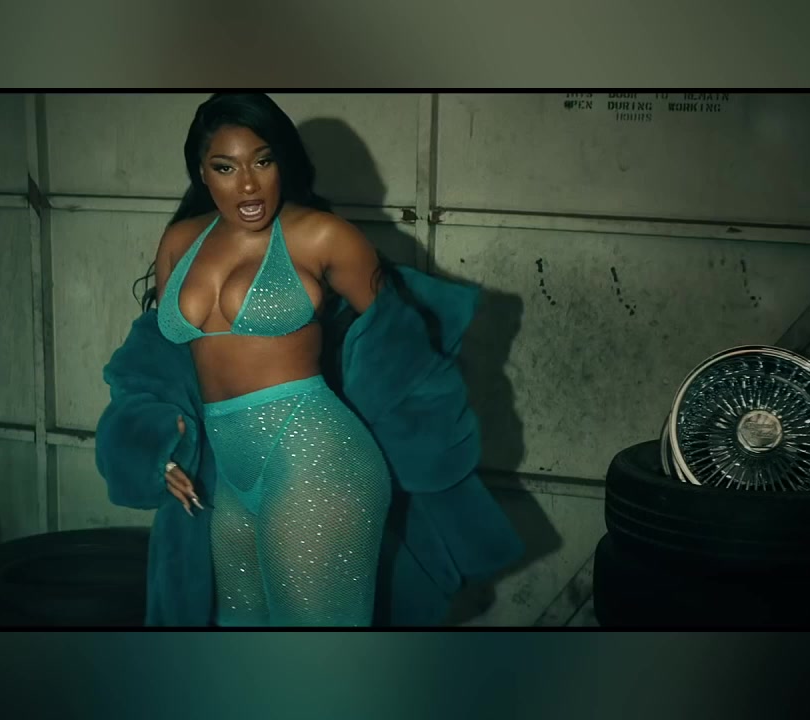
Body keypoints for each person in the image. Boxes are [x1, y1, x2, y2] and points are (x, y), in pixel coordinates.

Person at [96, 93, 523, 627]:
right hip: (229, 476)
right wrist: (154, 442)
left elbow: (400, 344)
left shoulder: (322, 235)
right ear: (202, 173)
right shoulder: (180, 241)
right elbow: (159, 362)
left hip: (315, 460)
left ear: (283, 162)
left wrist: (428, 446)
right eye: (225, 167)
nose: (248, 185)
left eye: (263, 161)